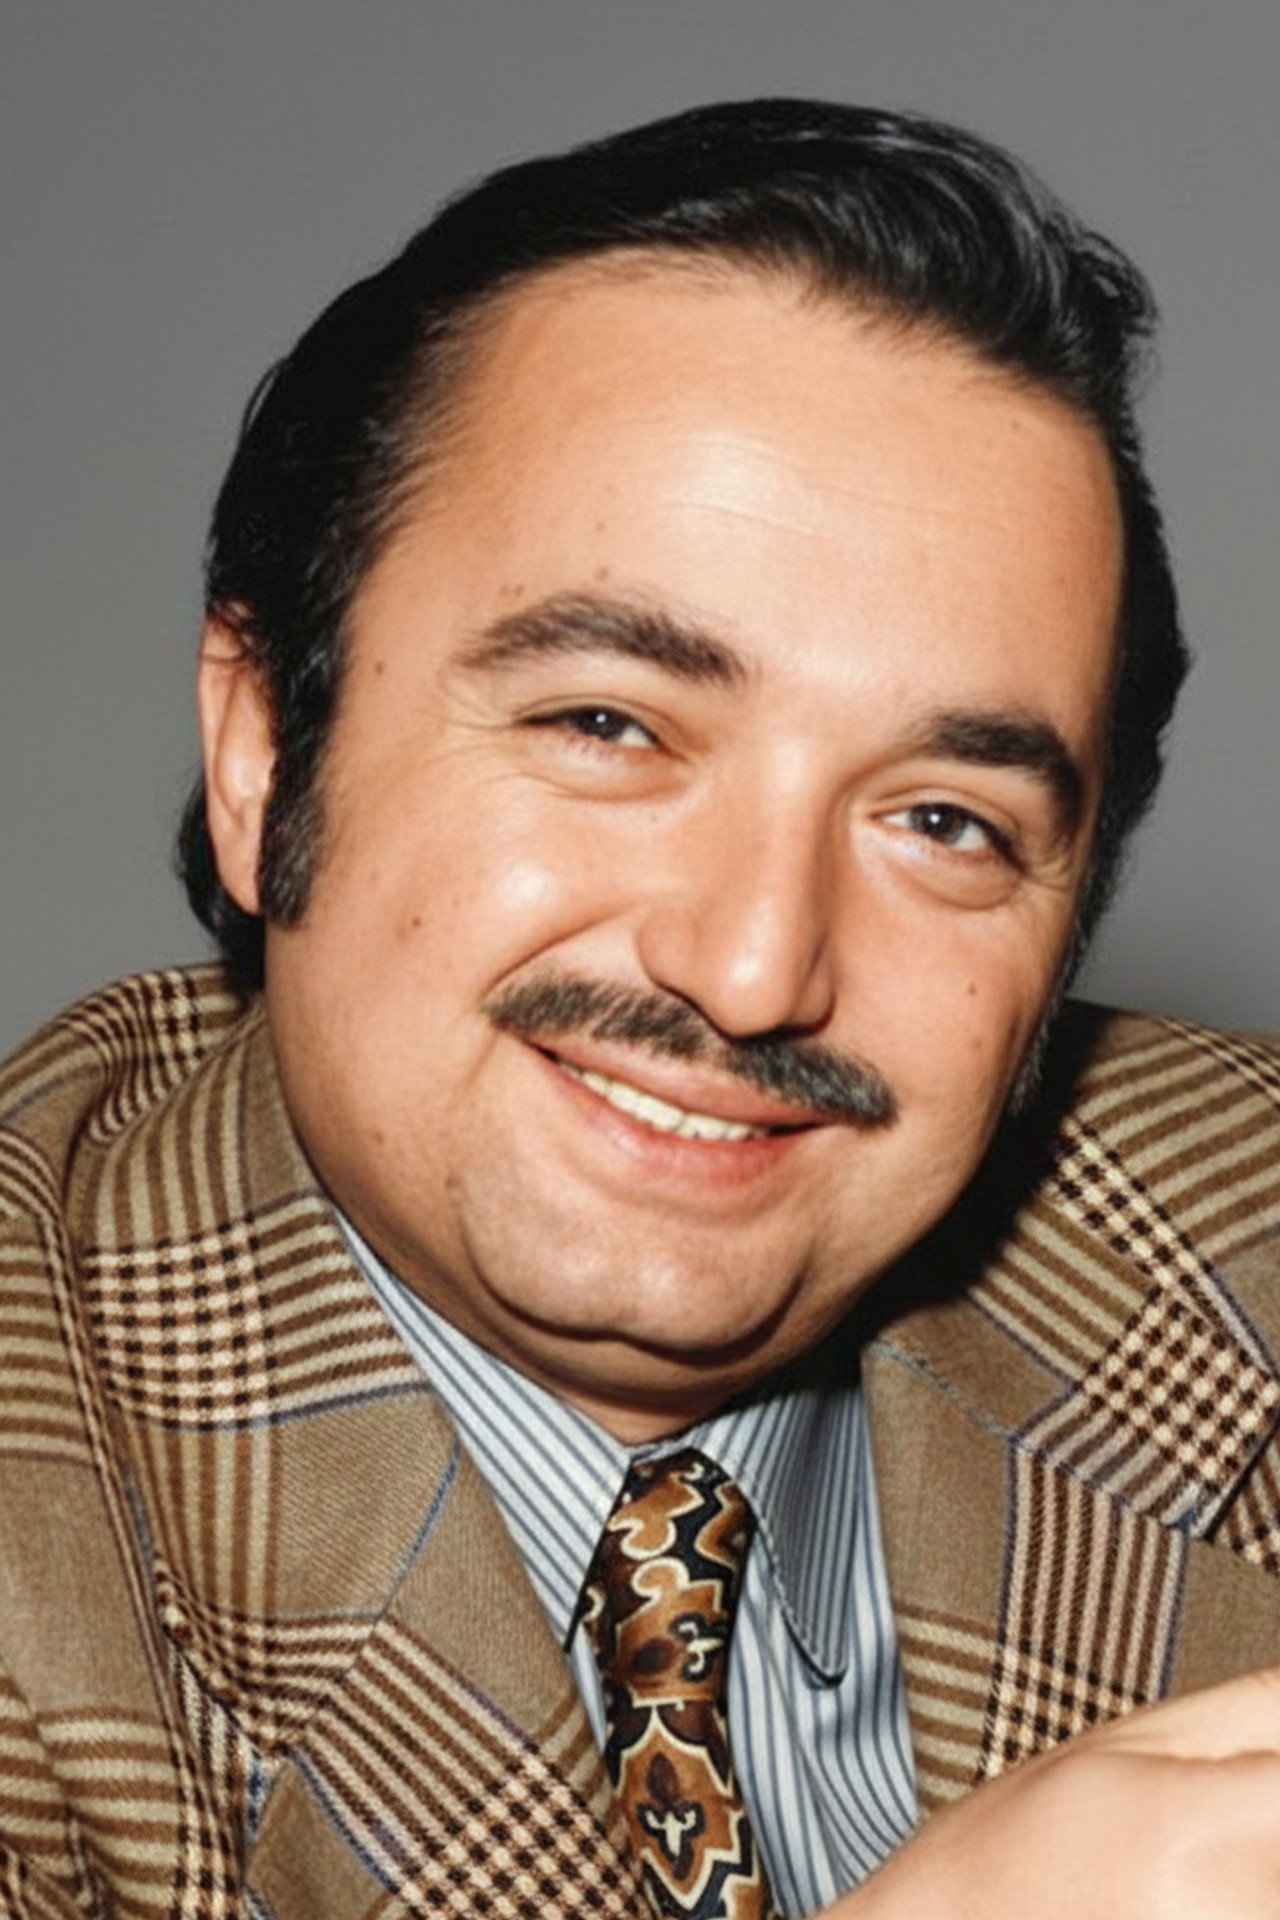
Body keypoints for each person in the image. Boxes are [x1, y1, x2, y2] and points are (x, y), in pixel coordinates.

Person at [1, 97, 1277, 1920]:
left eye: (942, 822)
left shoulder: (1238, 1256)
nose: (756, 968)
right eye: (610, 726)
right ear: (262, 747)